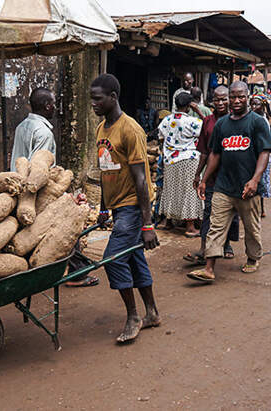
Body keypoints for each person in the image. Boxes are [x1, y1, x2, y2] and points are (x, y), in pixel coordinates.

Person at [91, 73, 160, 343]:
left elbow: (141, 179)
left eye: (98, 99)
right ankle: (152, 312)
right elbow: (105, 171)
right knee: (133, 257)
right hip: (118, 206)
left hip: (133, 205)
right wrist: (103, 208)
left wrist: (147, 224)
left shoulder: (130, 129)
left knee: (114, 258)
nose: (93, 104)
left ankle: (134, 316)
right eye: (92, 99)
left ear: (113, 97)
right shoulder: (101, 129)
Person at [188, 81, 271, 282]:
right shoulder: (222, 124)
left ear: (248, 96)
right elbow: (215, 154)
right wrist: (204, 178)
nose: (236, 101)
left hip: (247, 188)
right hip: (223, 186)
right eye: (233, 97)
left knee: (251, 228)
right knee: (215, 227)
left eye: (240, 96)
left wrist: (255, 180)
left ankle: (253, 258)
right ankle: (209, 268)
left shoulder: (257, 122)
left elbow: (265, 152)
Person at [183, 86, 239, 264]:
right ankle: (204, 248)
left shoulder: (236, 120)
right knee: (208, 211)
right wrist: (198, 174)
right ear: (211, 101)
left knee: (230, 211)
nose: (220, 103)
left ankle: (227, 244)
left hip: (231, 175)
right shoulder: (207, 121)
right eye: (217, 100)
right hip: (212, 176)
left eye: (224, 99)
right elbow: (204, 152)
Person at [158, 92, 203, 237]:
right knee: (189, 191)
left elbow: (161, 138)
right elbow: (209, 128)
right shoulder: (193, 121)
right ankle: (190, 227)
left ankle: (168, 221)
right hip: (189, 159)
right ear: (189, 105)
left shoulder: (166, 120)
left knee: (171, 189)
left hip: (170, 160)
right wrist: (199, 111)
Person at [10, 87, 56, 171]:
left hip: (16, 180)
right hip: (31, 182)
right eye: (53, 104)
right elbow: (39, 169)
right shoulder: (44, 133)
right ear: (48, 106)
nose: (55, 107)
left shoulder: (21, 126)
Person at [251, 96, 271, 217]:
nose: (254, 107)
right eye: (252, 104)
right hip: (254, 155)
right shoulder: (254, 118)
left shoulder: (262, 121)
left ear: (262, 106)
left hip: (262, 156)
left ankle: (261, 209)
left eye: (257, 105)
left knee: (261, 182)